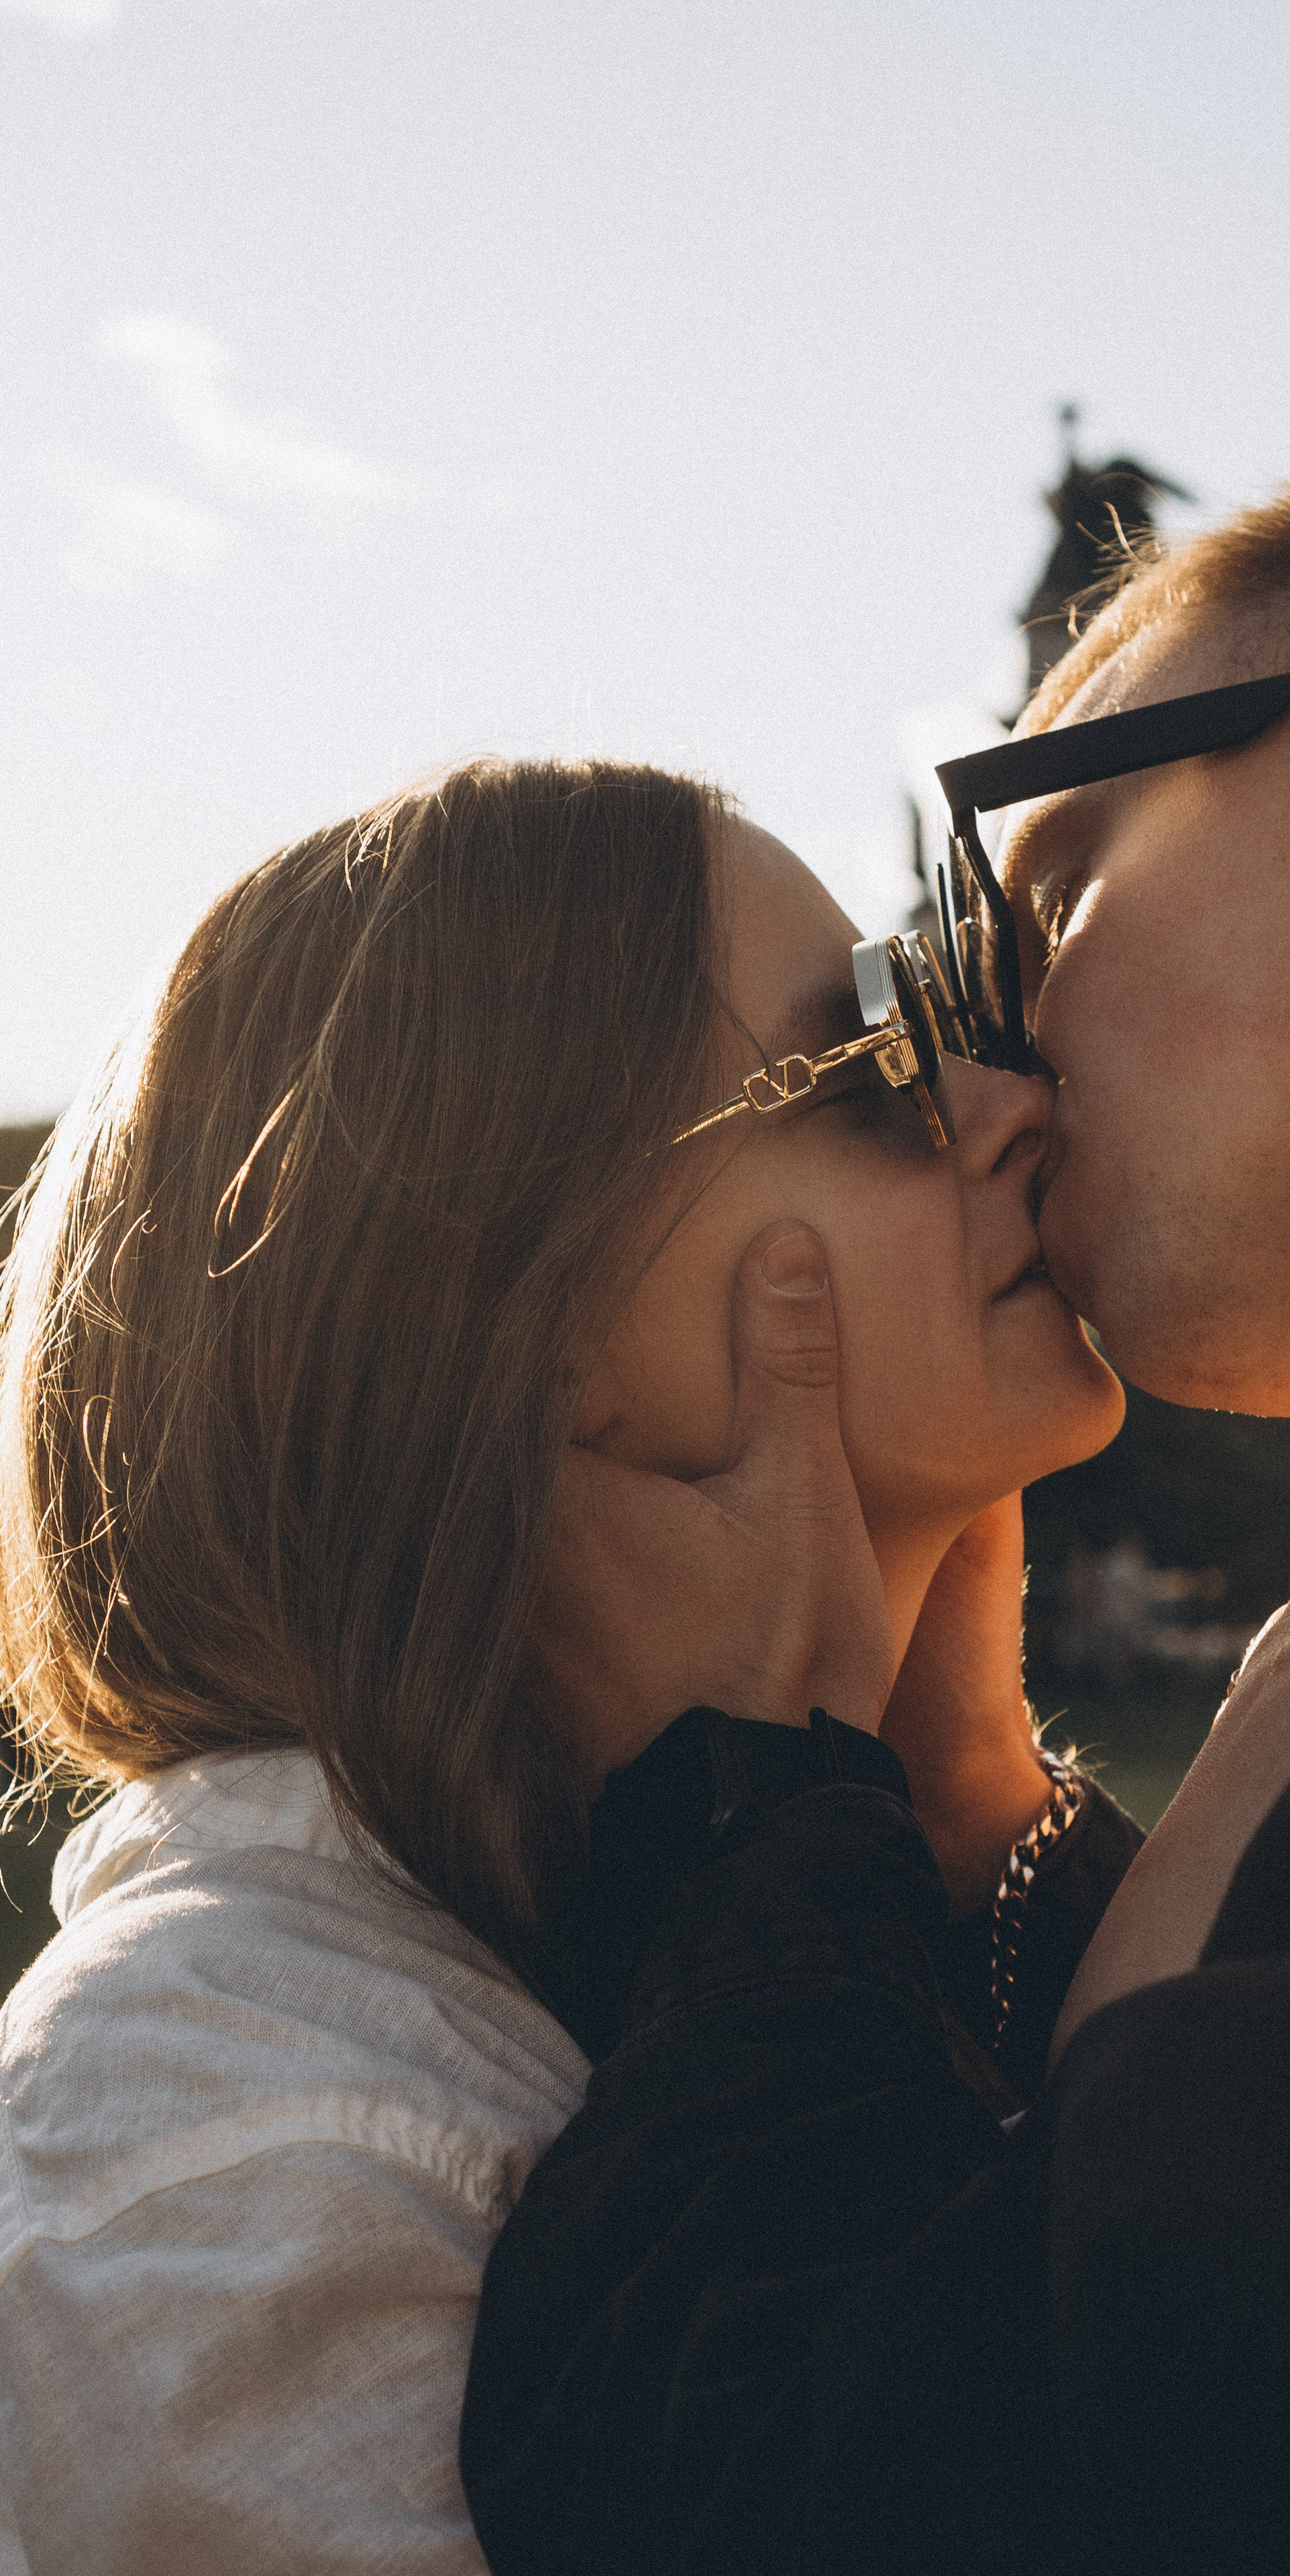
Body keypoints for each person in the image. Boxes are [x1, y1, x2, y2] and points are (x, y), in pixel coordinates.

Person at [461, 431, 1290, 2575]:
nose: (996, 1079)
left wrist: (755, 1808)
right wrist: (989, 1821)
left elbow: (828, 2490)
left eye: (1030, 903)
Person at [0, 756, 1140, 2572]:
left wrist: (963, 1802)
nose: (1011, 1100)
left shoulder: (769, 1893)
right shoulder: (241, 2124)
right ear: (511, 1322)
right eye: (869, 1066)